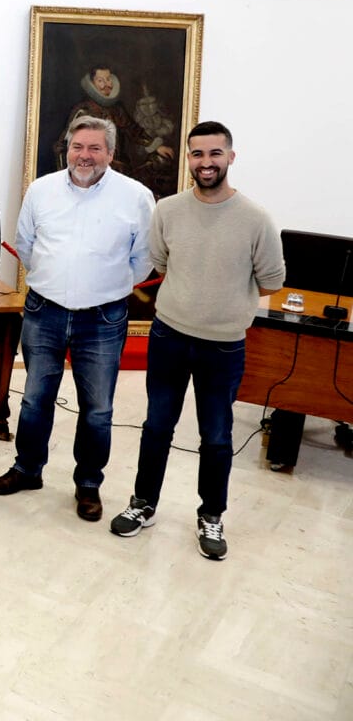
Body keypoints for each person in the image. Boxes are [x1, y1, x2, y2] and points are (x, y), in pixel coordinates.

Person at [109, 121, 284, 560]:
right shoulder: (167, 210)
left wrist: (222, 302)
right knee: (156, 426)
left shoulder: (256, 219)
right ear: (188, 158)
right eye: (197, 154)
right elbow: (162, 262)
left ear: (230, 157)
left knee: (218, 436)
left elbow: (270, 282)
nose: (205, 163)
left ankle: (211, 515)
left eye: (214, 154)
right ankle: (143, 504)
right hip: (169, 335)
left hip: (223, 345)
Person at [0, 115, 154, 521]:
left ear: (111, 154)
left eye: (95, 148)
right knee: (34, 398)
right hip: (44, 311)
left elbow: (144, 260)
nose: (85, 156)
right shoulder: (41, 191)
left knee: (97, 408)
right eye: (78, 147)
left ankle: (89, 484)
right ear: (67, 148)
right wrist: (55, 278)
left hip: (102, 318)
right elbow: (26, 244)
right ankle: (27, 469)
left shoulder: (136, 197)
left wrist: (101, 287)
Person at [61, 65, 176, 196]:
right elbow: (62, 146)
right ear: (92, 84)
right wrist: (66, 179)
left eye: (108, 79)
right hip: (92, 172)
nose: (106, 84)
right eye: (100, 81)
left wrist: (155, 146)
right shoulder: (83, 111)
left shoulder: (117, 109)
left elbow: (134, 130)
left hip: (119, 169)